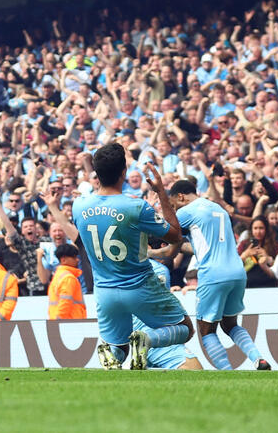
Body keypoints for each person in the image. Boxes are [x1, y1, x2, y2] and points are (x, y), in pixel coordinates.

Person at [74, 143, 193, 370]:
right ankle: (146, 340)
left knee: (119, 346)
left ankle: (112, 355)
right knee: (185, 328)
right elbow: (176, 235)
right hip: (140, 286)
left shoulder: (79, 205)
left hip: (105, 291)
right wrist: (160, 192)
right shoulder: (135, 206)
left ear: (96, 175)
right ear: (123, 173)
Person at [166, 179, 270, 370]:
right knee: (230, 324)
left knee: (206, 330)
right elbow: (205, 245)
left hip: (213, 274)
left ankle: (226, 372)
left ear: (180, 197)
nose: (174, 209)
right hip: (237, 272)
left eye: (173, 204)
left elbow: (167, 231)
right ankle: (259, 358)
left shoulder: (186, 211)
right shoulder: (218, 209)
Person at [139, 260, 203, 371]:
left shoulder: (125, 265)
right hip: (157, 338)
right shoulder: (158, 269)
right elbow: (167, 309)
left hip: (130, 335)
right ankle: (145, 340)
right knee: (194, 370)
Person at [47, 244, 86, 320]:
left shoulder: (58, 276)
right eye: (74, 257)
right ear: (63, 260)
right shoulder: (68, 278)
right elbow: (65, 302)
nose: (77, 260)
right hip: (70, 323)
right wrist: (59, 321)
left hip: (61, 322)